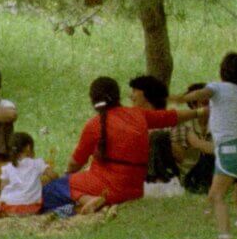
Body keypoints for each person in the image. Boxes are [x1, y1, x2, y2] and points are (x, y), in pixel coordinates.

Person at [41, 76, 203, 215]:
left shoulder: (94, 125)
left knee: (48, 193)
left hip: (107, 187)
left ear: (93, 101)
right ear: (117, 96)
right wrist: (199, 112)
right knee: (69, 187)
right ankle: (85, 203)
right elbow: (172, 116)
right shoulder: (138, 114)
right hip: (134, 189)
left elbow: (75, 163)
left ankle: (86, 201)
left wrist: (67, 176)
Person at [171, 53, 237, 239]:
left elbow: (202, 93)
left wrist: (180, 98)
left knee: (218, 197)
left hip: (228, 149)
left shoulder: (218, 88)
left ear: (223, 70)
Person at [0, 132, 59, 219]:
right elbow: (54, 175)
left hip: (9, 207)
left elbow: (2, 188)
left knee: (4, 195)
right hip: (31, 208)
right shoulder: (37, 163)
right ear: (29, 148)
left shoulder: (7, 168)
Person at [129, 75, 180, 188]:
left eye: (134, 91)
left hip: (160, 177)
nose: (131, 96)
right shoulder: (130, 123)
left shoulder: (168, 124)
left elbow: (179, 157)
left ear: (147, 94)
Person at [170, 83, 214, 193]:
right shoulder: (184, 123)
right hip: (188, 174)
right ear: (193, 105)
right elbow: (196, 145)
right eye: (205, 103)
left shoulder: (217, 123)